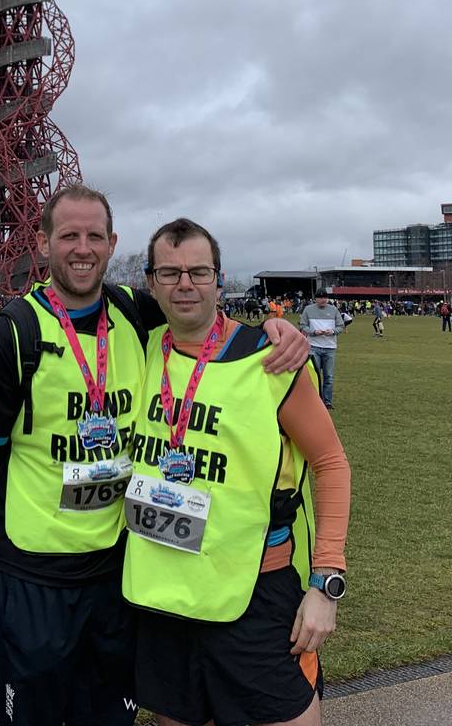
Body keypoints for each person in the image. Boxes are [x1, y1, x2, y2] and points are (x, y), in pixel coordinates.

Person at [0, 185, 310, 726]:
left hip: (119, 576)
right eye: (68, 235)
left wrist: (274, 333)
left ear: (113, 243)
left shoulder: (133, 313)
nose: (83, 248)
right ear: (44, 245)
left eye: (95, 236)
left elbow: (202, 319)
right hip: (33, 579)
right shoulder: (12, 337)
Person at [123, 219, 350, 726]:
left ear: (219, 280)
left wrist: (326, 582)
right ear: (151, 281)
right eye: (171, 272)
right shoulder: (136, 349)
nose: (185, 284)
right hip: (162, 591)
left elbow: (331, 463)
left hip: (255, 590)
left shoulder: (271, 359)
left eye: (199, 272)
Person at [298, 290, 344, 410]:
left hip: (330, 347)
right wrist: (313, 332)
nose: (324, 300)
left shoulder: (333, 310)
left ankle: (327, 402)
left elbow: (341, 326)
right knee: (315, 375)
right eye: (321, 298)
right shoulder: (308, 309)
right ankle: (315, 400)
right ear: (316, 299)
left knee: (328, 376)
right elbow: (303, 325)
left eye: (326, 298)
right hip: (313, 346)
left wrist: (333, 331)